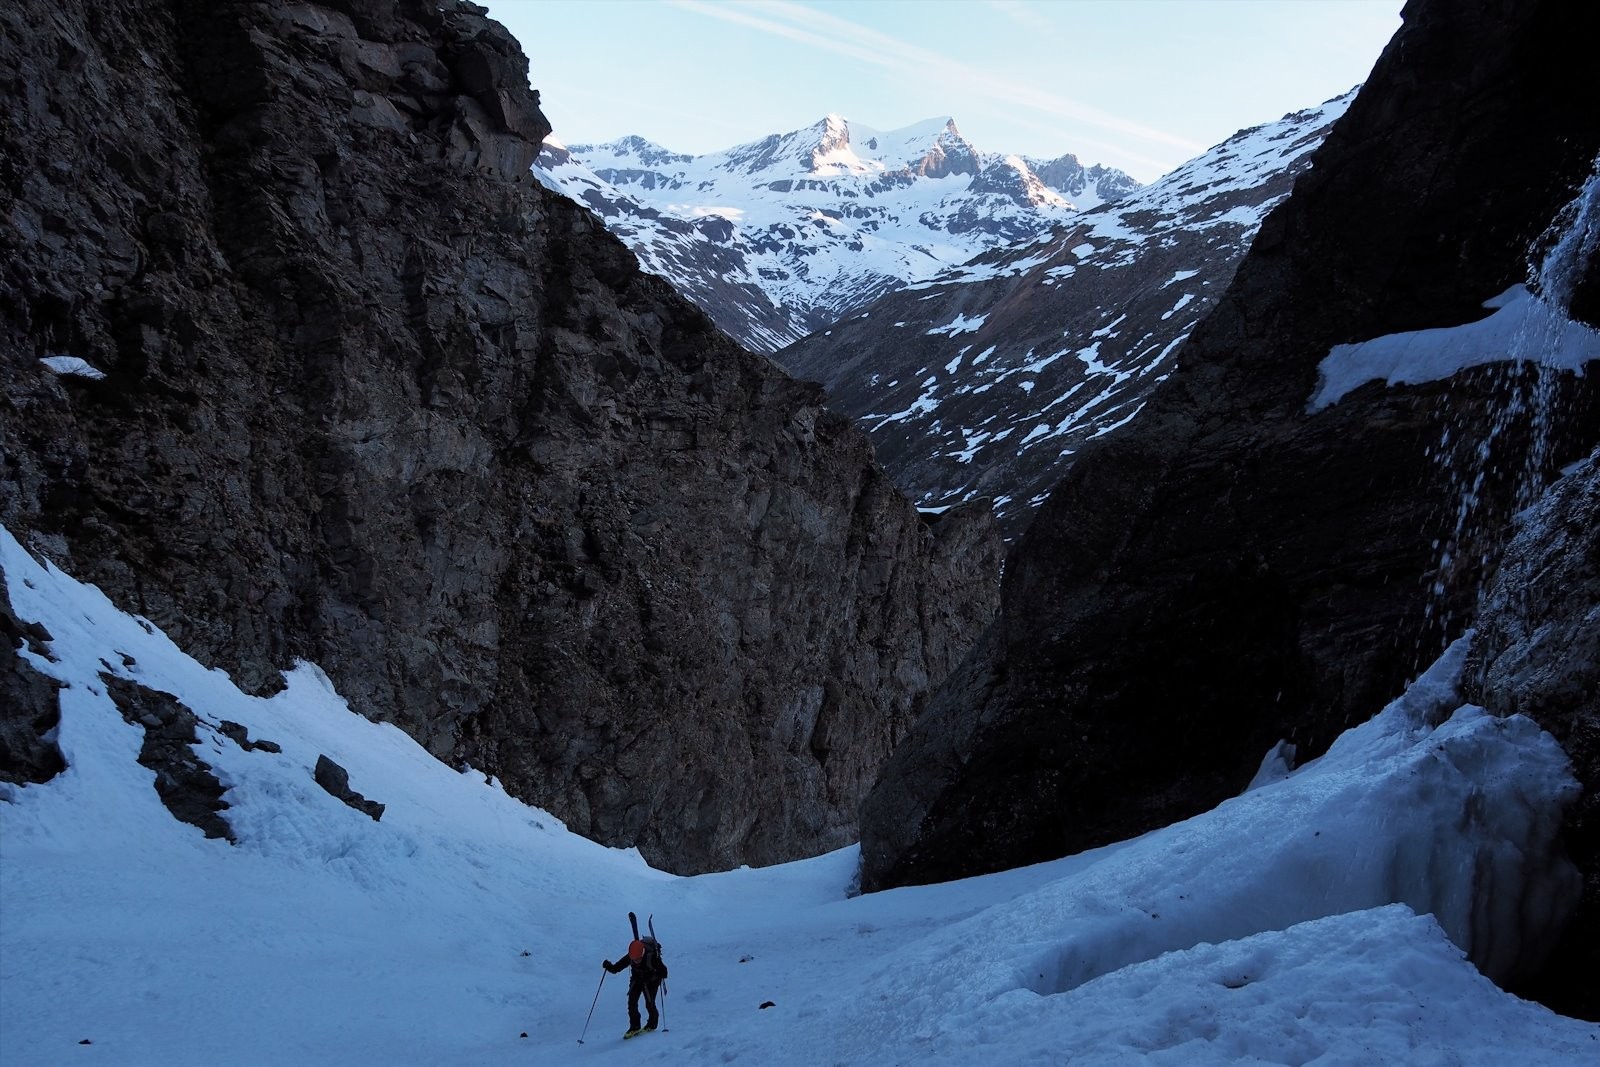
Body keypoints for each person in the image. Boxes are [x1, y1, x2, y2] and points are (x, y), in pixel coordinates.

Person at [603, 934, 668, 1037]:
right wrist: (608, 966)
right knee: (632, 1003)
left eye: (638, 959)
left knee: (650, 1003)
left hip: (651, 982)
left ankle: (652, 1024)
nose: (635, 961)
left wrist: (658, 974)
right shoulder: (631, 955)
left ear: (642, 954)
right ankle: (635, 1027)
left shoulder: (652, 957)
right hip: (637, 980)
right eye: (633, 959)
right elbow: (617, 968)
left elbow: (664, 972)